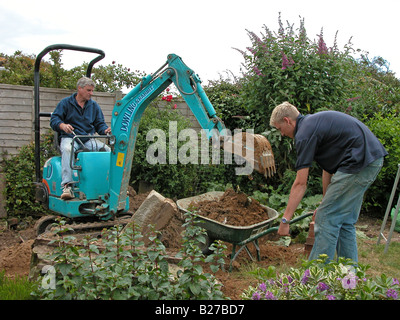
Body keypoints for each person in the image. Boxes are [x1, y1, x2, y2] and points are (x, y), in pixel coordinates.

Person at [269, 101, 387, 262]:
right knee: (344, 220)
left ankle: (317, 278)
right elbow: (328, 168)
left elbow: (300, 183)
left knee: (326, 218)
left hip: (357, 164)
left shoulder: (303, 134)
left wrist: (285, 220)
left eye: (279, 128)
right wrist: (325, 200)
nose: (281, 134)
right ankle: (349, 277)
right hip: (370, 160)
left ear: (287, 121)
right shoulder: (314, 125)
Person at [50, 76, 111, 200]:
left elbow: (99, 124)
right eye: (89, 90)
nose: (91, 93)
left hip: (87, 138)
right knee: (67, 149)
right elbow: (54, 119)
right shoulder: (65, 103)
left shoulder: (93, 106)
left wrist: (105, 130)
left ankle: (107, 185)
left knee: (108, 151)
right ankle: (67, 186)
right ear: (80, 89)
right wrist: (62, 125)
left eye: (92, 90)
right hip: (70, 137)